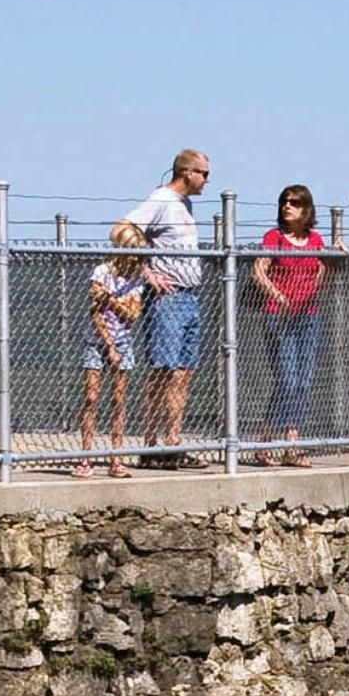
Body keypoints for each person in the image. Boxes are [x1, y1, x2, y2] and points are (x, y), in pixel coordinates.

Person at [120, 149, 211, 467]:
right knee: (164, 370)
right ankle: (151, 443)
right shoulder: (161, 200)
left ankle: (173, 441)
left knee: (184, 372)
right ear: (186, 172)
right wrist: (147, 273)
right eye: (203, 174)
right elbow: (124, 230)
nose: (205, 181)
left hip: (190, 296)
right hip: (167, 298)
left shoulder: (185, 206)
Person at [245, 184, 330, 467]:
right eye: (284, 202)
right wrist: (276, 294)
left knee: (303, 383)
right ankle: (270, 442)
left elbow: (321, 268)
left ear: (306, 208)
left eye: (294, 203)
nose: (287, 207)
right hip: (278, 316)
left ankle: (290, 442)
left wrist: (310, 292)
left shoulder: (315, 239)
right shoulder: (275, 237)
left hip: (308, 316)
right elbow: (259, 270)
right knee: (287, 380)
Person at [77, 223, 156, 478]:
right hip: (96, 342)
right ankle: (86, 456)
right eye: (132, 250)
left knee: (118, 399)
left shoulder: (135, 278)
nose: (135, 257)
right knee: (91, 397)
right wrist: (108, 344)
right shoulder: (101, 272)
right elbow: (95, 312)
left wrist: (110, 299)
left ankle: (116, 457)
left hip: (123, 341)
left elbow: (132, 315)